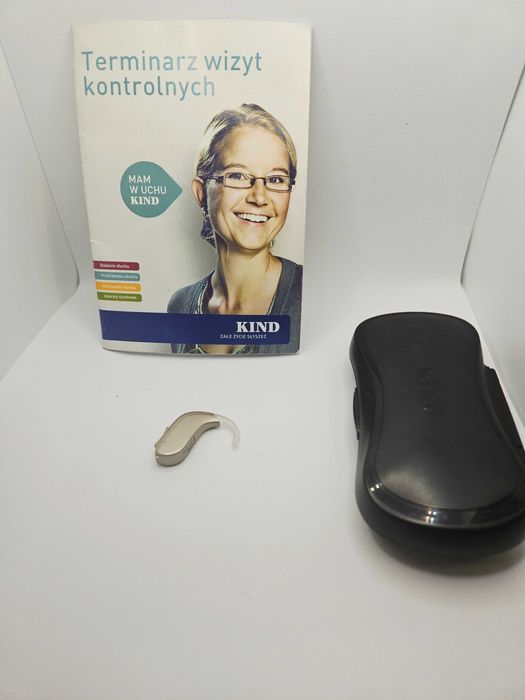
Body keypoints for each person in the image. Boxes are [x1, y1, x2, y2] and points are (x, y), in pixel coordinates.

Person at [168, 103, 302, 354]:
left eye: (276, 179)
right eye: (237, 176)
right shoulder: (180, 305)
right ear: (201, 193)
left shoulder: (309, 295)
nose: (259, 197)